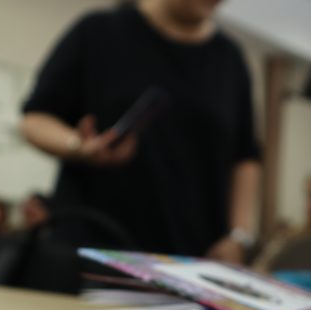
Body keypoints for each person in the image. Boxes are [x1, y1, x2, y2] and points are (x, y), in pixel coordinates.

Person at [20, 0, 261, 262]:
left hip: (191, 261)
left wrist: (238, 234)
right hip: (92, 251)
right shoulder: (98, 32)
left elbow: (245, 156)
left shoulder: (230, 59)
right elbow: (35, 119)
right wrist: (79, 146)